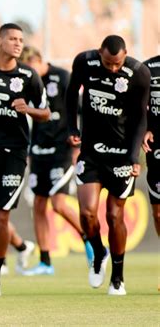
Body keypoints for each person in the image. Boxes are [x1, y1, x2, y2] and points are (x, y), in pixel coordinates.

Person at [66, 35, 150, 295]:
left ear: (125, 55)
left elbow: (140, 118)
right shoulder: (84, 61)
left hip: (122, 154)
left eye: (117, 63)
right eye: (108, 63)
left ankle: (117, 277)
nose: (113, 68)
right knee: (88, 214)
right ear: (99, 52)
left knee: (115, 215)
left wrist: (134, 157)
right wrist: (72, 128)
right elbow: (71, 94)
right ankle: (98, 251)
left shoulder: (138, 73)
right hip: (91, 152)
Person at [0, 23, 50, 297]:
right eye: (12, 39)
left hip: (14, 154)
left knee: (2, 215)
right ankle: (14, 244)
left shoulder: (28, 75)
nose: (18, 43)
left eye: (20, 39)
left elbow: (46, 113)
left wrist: (28, 109)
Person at [19, 46, 94, 275]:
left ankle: (91, 241)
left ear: (39, 60)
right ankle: (45, 262)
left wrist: (78, 144)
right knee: (39, 206)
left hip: (62, 149)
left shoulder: (62, 77)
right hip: (38, 151)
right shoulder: (28, 83)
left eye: (30, 66)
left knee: (59, 204)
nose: (29, 72)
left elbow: (82, 109)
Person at [142, 55, 160, 237]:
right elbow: (137, 106)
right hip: (156, 146)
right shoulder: (148, 68)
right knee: (159, 214)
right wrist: (146, 129)